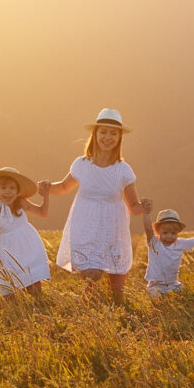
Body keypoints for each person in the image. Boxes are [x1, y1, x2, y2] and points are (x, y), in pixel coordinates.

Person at [47, 109, 145, 300]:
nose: (107, 137)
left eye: (113, 133)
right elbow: (64, 187)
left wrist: (146, 206)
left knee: (116, 289)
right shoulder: (81, 164)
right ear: (95, 134)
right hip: (86, 226)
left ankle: (102, 309)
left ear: (119, 138)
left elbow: (133, 207)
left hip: (113, 228)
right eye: (103, 132)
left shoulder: (123, 170)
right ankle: (86, 305)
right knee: (92, 274)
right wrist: (46, 187)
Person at [0, 166, 51, 297]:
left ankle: (39, 305)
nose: (8, 192)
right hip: (7, 254)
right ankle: (13, 308)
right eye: (3, 188)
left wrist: (46, 196)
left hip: (27, 249)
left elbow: (42, 213)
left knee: (35, 288)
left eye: (12, 188)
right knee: (9, 292)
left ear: (18, 191)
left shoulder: (21, 203)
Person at [141, 205, 194, 298]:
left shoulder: (180, 243)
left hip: (173, 283)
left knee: (181, 292)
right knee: (156, 297)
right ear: (158, 231)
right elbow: (148, 229)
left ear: (178, 232)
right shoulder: (154, 243)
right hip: (156, 284)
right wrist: (146, 213)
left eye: (173, 233)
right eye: (165, 233)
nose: (169, 236)